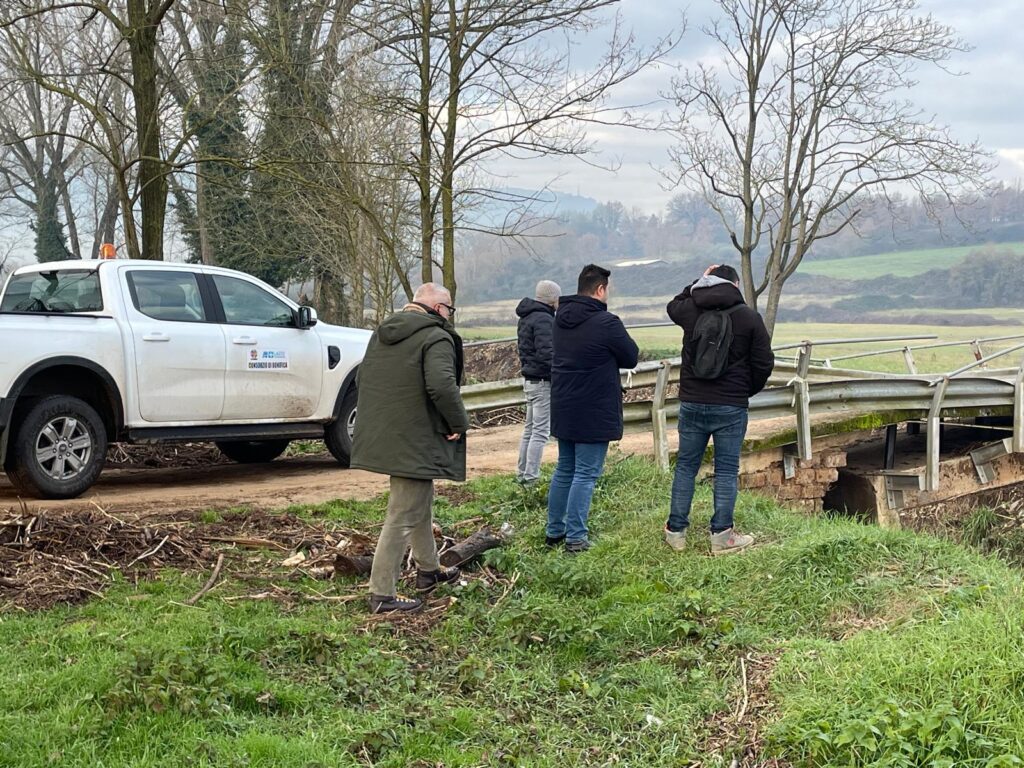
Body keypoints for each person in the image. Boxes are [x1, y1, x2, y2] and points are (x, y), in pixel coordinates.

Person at [351, 283, 470, 613]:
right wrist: (457, 423)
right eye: (449, 309)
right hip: (416, 433)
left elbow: (362, 379)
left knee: (419, 499)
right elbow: (442, 386)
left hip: (388, 430)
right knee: (403, 514)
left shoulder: (382, 334)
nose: (449, 315)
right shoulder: (436, 336)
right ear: (439, 308)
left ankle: (428, 570)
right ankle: (381, 594)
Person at [664, 264, 774, 555]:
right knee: (726, 470)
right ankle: (722, 537)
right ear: (736, 285)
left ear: (708, 282)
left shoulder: (690, 310)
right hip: (730, 405)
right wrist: (744, 390)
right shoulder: (749, 317)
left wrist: (698, 281)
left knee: (686, 467)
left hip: (692, 402)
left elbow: (672, 305)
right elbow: (764, 363)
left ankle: (675, 533)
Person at [546, 264, 639, 553]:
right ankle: (576, 538)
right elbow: (631, 357)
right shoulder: (607, 323)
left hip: (564, 405)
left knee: (565, 469)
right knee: (585, 474)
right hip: (593, 408)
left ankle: (554, 531)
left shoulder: (559, 319)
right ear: (600, 289)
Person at [515, 280, 561, 485]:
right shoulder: (544, 319)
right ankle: (531, 478)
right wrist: (559, 374)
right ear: (552, 299)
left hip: (530, 380)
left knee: (530, 430)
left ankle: (522, 474)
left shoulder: (527, 316)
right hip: (542, 381)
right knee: (540, 433)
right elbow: (547, 353)